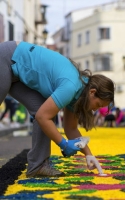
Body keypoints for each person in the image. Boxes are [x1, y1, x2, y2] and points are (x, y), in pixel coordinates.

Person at [0, 41, 115, 177]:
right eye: (98, 105)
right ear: (92, 92)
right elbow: (43, 117)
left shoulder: (79, 93)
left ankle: (37, 166)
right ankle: (38, 164)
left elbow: (70, 129)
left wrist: (88, 154)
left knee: (42, 110)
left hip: (18, 74)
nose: (95, 110)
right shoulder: (71, 86)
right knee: (44, 115)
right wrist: (64, 144)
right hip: (8, 58)